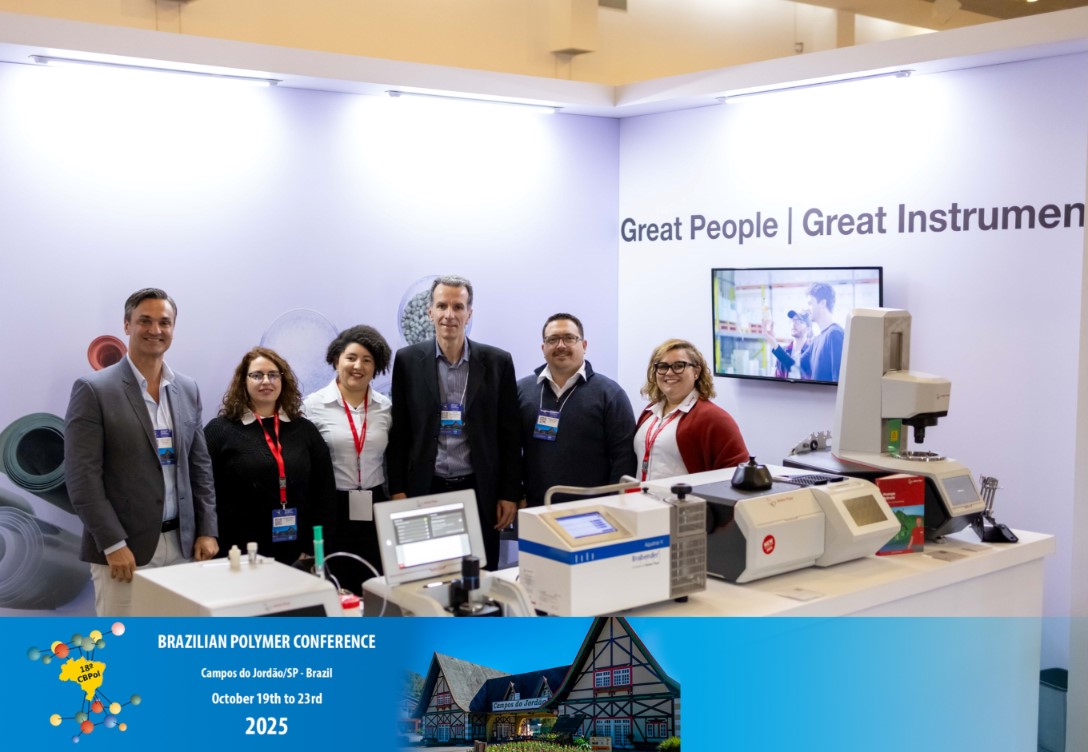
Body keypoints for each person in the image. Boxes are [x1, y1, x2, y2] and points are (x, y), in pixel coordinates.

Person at [64, 288, 218, 616]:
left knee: (176, 641)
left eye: (165, 322)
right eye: (145, 321)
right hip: (124, 552)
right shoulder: (93, 390)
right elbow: (82, 478)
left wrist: (207, 529)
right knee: (125, 644)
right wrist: (112, 543)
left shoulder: (187, 388)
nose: (155, 330)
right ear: (127, 325)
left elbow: (200, 466)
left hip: (184, 547)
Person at [387, 274, 521, 570]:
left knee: (480, 578)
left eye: (458, 307)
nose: (449, 314)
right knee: (427, 575)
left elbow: (510, 436)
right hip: (426, 488)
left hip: (480, 491)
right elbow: (400, 433)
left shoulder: (498, 362)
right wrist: (397, 490)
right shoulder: (407, 361)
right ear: (430, 312)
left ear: (469, 313)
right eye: (442, 306)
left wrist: (509, 493)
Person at [204, 347, 335, 567]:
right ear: (243, 381)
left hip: (296, 551)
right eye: (257, 375)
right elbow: (203, 490)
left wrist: (313, 546)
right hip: (236, 551)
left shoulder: (305, 430)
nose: (266, 381)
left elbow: (324, 491)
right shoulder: (219, 431)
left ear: (283, 380)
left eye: (273, 375)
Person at [303, 325, 393, 589]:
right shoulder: (312, 406)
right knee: (336, 582)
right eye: (351, 357)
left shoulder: (385, 407)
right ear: (336, 360)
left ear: (376, 367)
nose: (358, 366)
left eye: (367, 360)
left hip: (375, 503)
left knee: (375, 582)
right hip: (331, 505)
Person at [518, 313, 636, 507]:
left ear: (584, 345)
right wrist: (515, 493)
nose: (561, 345)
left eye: (569, 338)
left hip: (593, 510)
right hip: (534, 508)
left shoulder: (610, 393)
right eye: (552, 339)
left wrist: (614, 504)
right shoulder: (521, 391)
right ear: (543, 348)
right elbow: (510, 450)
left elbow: (625, 456)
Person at [635, 338, 749, 481]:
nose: (669, 372)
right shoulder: (650, 411)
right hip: (643, 494)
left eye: (679, 366)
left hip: (686, 496)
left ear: (696, 371)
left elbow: (737, 472)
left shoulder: (714, 418)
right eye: (662, 366)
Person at [806, 282, 845, 382]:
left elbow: (839, 382)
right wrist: (772, 340)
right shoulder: (816, 340)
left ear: (822, 303)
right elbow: (794, 365)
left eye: (810, 303)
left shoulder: (834, 334)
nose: (807, 309)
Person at [763, 309, 812, 380]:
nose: (794, 324)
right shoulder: (784, 350)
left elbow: (799, 372)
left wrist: (775, 345)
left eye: (799, 321)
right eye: (793, 320)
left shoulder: (812, 352)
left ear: (808, 329)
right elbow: (776, 377)